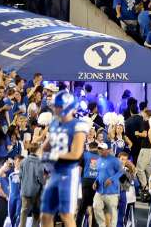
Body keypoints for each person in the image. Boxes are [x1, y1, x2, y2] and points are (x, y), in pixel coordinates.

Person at [41, 91, 89, 227]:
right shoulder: (55, 123)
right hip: (54, 173)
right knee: (46, 215)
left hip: (69, 173)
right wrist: (41, 154)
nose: (55, 109)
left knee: (66, 215)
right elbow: (45, 147)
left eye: (58, 106)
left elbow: (75, 154)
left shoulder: (78, 125)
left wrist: (53, 156)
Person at [94, 145, 123, 227]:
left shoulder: (115, 160)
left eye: (101, 149)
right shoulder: (98, 160)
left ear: (107, 150)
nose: (99, 151)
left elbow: (121, 171)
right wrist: (95, 181)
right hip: (100, 191)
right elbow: (99, 174)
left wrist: (112, 179)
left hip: (112, 192)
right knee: (96, 207)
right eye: (99, 149)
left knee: (112, 213)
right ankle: (102, 225)